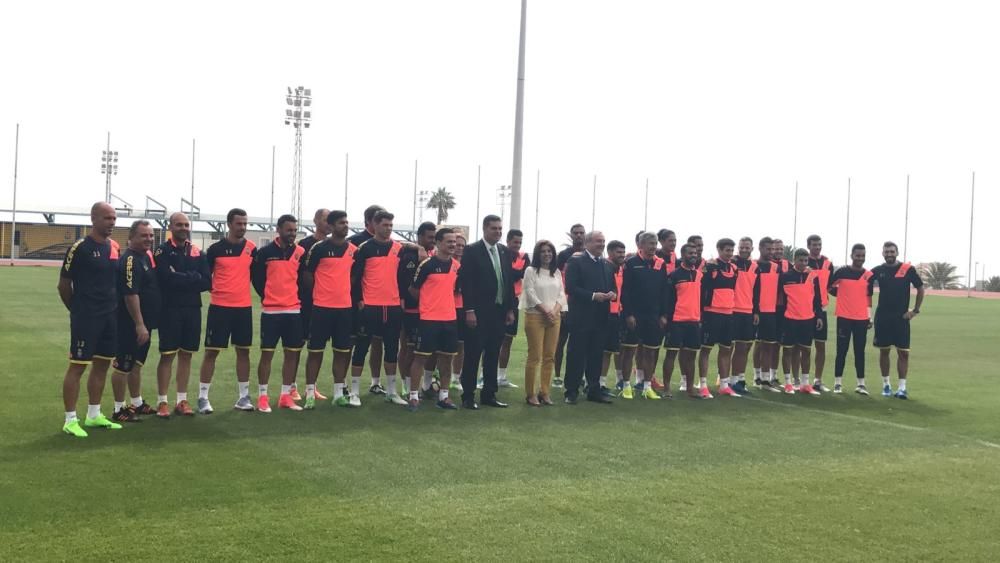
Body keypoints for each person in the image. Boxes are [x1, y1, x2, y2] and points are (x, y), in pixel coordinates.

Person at [59, 202, 123, 437]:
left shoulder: (115, 246)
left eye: (114, 218)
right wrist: (77, 310)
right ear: (93, 219)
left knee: (102, 365)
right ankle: (70, 419)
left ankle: (94, 414)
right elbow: (63, 284)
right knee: (77, 366)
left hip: (110, 316)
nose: (112, 222)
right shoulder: (79, 248)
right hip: (86, 316)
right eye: (107, 218)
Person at [199, 208, 256, 411]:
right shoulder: (215, 250)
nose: (242, 227)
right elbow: (206, 277)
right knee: (211, 352)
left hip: (243, 308)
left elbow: (255, 277)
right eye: (239, 223)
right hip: (220, 308)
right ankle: (203, 397)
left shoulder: (252, 248)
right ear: (229, 224)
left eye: (245, 224)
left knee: (243, 352)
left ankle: (243, 397)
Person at [301, 211, 360, 409]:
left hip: (344, 309)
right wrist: (321, 292)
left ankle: (338, 394)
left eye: (347, 222)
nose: (346, 225)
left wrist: (342, 290)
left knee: (342, 352)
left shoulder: (353, 250)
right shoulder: (318, 248)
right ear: (332, 226)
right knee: (315, 352)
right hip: (321, 309)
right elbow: (307, 275)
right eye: (341, 223)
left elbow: (354, 277)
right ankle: (310, 394)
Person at [155, 211, 212, 416]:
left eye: (186, 225)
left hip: (192, 309)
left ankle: (182, 400)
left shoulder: (197, 252)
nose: (184, 228)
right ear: (171, 227)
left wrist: (179, 276)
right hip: (169, 310)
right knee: (167, 356)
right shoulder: (161, 251)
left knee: (186, 355)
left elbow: (207, 282)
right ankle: (162, 401)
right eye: (179, 225)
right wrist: (192, 278)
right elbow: (164, 279)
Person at [457, 214, 517, 409]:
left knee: (493, 354)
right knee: (474, 354)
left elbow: (507, 281)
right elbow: (467, 283)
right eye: (494, 229)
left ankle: (489, 394)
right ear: (484, 229)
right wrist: (470, 310)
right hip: (479, 312)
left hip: (499, 312)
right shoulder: (472, 250)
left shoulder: (504, 251)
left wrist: (509, 308)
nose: (498, 232)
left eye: (500, 229)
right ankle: (468, 395)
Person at [251, 214, 307, 413]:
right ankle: (263, 397)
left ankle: (285, 396)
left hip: (294, 310)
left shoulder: (301, 252)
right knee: (267, 355)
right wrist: (268, 295)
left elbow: (302, 280)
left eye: (294, 230)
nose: (292, 233)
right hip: (271, 311)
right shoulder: (265, 252)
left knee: (292, 354)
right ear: (279, 229)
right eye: (288, 230)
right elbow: (257, 279)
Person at [350, 210, 406, 407]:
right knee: (362, 349)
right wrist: (359, 300)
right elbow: (355, 278)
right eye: (385, 225)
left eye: (391, 225)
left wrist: (401, 299)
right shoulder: (364, 248)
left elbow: (403, 277)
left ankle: (391, 391)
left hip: (392, 307)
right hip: (370, 306)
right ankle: (354, 392)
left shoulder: (399, 248)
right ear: (375, 224)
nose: (388, 229)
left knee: (392, 349)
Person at [110, 220, 161, 423]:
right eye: (144, 235)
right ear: (131, 237)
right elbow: (131, 294)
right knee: (123, 366)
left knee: (136, 364)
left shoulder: (145, 257)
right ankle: (118, 408)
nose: (149, 239)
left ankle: (137, 403)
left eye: (151, 235)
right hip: (129, 324)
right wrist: (139, 324)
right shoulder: (130, 260)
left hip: (145, 323)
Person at [408, 228, 462, 411]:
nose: (453, 245)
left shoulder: (456, 266)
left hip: (450, 319)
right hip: (429, 319)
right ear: (438, 243)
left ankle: (444, 397)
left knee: (446, 360)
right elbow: (413, 290)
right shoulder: (427, 265)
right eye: (449, 241)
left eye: (454, 242)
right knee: (420, 358)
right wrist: (428, 304)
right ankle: (414, 396)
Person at [563, 231, 616, 404]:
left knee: (596, 355)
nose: (601, 244)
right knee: (576, 354)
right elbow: (571, 288)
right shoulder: (576, 261)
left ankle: (593, 390)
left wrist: (611, 294)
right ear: (587, 243)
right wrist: (593, 296)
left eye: (603, 241)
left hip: (600, 318)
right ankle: (571, 391)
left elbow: (613, 288)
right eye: (598, 241)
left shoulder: (606, 265)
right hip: (581, 317)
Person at [871, 241, 924, 399]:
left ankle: (902, 388)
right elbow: (862, 282)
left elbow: (920, 288)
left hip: (901, 318)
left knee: (903, 354)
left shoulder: (908, 269)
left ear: (897, 252)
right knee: (884, 351)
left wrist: (914, 311)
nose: (889, 254)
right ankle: (886, 385)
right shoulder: (878, 270)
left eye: (892, 251)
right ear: (882, 253)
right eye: (886, 252)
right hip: (883, 318)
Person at [620, 232, 668, 400]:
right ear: (641, 245)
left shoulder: (661, 264)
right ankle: (626, 385)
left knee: (650, 352)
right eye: (650, 243)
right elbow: (624, 291)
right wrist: (629, 314)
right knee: (629, 351)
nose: (653, 246)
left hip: (653, 316)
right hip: (634, 316)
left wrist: (663, 314)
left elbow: (664, 291)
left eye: (655, 243)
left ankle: (647, 386)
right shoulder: (631, 263)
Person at [521, 240, 566, 406]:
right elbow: (530, 292)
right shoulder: (531, 271)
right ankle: (530, 394)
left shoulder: (557, 273)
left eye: (549, 251)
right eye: (543, 251)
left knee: (550, 356)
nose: (547, 254)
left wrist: (554, 311)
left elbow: (562, 295)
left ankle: (545, 392)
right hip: (535, 316)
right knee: (535, 356)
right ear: (538, 254)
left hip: (554, 318)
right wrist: (545, 310)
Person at [294, 208, 332, 402]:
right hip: (306, 301)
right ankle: (291, 386)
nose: (328, 223)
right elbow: (298, 273)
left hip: (325, 304)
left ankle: (312, 387)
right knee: (297, 344)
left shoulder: (337, 245)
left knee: (317, 347)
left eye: (330, 220)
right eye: (325, 219)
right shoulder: (304, 244)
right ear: (316, 221)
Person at [349, 204, 388, 394]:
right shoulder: (355, 242)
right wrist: (357, 299)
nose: (387, 227)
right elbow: (352, 275)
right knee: (354, 343)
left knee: (378, 341)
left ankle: (375, 382)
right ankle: (347, 385)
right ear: (371, 221)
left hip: (382, 303)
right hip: (359, 303)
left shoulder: (388, 243)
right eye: (380, 221)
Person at [399, 222, 437, 401]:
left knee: (424, 351)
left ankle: (422, 386)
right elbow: (406, 283)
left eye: (434, 237)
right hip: (411, 310)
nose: (433, 240)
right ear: (420, 237)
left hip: (427, 311)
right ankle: (406, 387)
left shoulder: (431, 254)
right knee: (409, 350)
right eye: (429, 237)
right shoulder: (410, 255)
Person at [828, 244, 873, 395]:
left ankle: (861, 384)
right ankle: (837, 383)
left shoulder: (868, 275)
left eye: (862, 255)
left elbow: (868, 297)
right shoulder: (841, 272)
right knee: (842, 350)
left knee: (860, 351)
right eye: (857, 255)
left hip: (861, 319)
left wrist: (869, 316)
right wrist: (840, 295)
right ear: (852, 256)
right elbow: (829, 287)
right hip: (844, 317)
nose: (860, 258)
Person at [778, 248, 824, 395]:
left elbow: (817, 298)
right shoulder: (785, 277)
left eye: (806, 261)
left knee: (806, 351)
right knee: (788, 351)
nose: (804, 263)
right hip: (789, 319)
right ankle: (788, 383)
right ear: (794, 260)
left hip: (808, 319)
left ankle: (805, 383)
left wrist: (819, 316)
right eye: (801, 260)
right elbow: (780, 299)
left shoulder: (812, 276)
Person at [700, 238, 742, 397]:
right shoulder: (710, 267)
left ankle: (724, 384)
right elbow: (702, 289)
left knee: (726, 349)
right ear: (719, 250)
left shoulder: (734, 268)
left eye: (732, 250)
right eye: (727, 250)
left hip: (728, 314)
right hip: (711, 313)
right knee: (706, 350)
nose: (730, 253)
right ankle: (703, 384)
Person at [665, 244, 705, 399]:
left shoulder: (700, 275)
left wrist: (700, 316)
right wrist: (668, 318)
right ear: (683, 255)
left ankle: (690, 388)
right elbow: (669, 299)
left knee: (691, 356)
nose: (693, 255)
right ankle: (667, 388)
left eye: (695, 253)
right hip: (677, 320)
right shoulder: (674, 275)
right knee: (671, 355)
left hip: (694, 320)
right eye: (690, 253)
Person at [553, 223, 586, 387]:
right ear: (571, 235)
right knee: (560, 342)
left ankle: (578, 376)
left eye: (581, 233)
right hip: (564, 305)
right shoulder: (563, 255)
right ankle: (557, 376)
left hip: (582, 307)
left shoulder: (589, 254)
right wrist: (560, 304)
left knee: (580, 343)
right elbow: (557, 279)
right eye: (576, 233)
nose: (579, 235)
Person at [497, 229, 528, 388]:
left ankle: (502, 376)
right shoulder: (499, 253)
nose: (517, 245)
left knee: (508, 339)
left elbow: (522, 274)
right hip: (497, 301)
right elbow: (506, 274)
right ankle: (483, 375)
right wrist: (513, 273)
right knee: (493, 339)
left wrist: (511, 272)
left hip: (513, 301)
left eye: (520, 242)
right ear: (508, 241)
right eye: (515, 242)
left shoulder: (524, 257)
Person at [752, 237, 782, 392]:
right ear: (760, 248)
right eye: (768, 249)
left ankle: (765, 380)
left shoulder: (776, 267)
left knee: (768, 345)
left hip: (771, 311)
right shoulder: (753, 265)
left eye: (772, 249)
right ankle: (756, 376)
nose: (771, 252)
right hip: (755, 311)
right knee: (756, 345)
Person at [806, 234, 835, 392]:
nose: (817, 247)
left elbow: (830, 285)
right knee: (804, 346)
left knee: (821, 346)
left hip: (821, 309)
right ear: (809, 246)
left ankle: (818, 380)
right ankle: (802, 380)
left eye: (819, 244)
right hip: (805, 309)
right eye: (814, 245)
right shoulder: (804, 261)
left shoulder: (827, 263)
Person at [599, 240, 627, 397]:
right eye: (618, 252)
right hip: (604, 313)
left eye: (623, 252)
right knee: (602, 350)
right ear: (610, 253)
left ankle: (605, 382)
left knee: (611, 350)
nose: (622, 255)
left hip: (617, 314)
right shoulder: (604, 267)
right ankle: (596, 382)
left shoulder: (621, 269)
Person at [730, 237, 757, 395]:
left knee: (743, 347)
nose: (744, 250)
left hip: (748, 311)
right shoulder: (732, 264)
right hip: (732, 310)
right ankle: (727, 380)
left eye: (747, 247)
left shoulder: (755, 267)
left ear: (752, 248)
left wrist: (756, 311)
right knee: (729, 347)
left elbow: (756, 291)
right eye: (742, 247)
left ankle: (738, 379)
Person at [450, 234, 467, 392]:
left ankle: (456, 377)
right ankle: (434, 377)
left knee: (461, 344)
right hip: (447, 307)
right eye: (457, 244)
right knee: (443, 345)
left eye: (462, 245)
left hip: (463, 307)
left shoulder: (467, 265)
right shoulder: (445, 263)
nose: (459, 248)